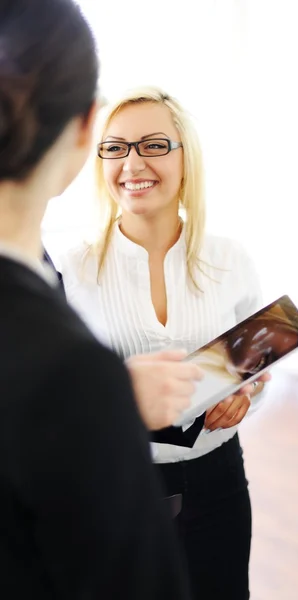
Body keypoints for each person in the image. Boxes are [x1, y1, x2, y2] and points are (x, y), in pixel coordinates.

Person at [0, 2, 194, 598]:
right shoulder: (72, 371)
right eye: (119, 145)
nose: (135, 163)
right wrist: (108, 406)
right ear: (89, 131)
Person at [59, 85, 269, 600]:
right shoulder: (72, 269)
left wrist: (246, 393)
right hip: (113, 487)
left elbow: (258, 365)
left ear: (184, 158)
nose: (133, 162)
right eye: (115, 147)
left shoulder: (230, 259)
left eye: (153, 145)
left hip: (217, 482)